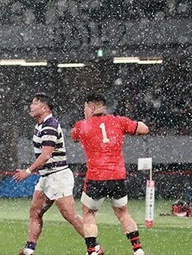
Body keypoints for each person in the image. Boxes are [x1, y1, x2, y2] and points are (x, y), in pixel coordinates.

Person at [11, 93, 92, 255]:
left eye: (35, 103)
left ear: (45, 108)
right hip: (47, 176)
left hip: (58, 176)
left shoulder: (50, 124)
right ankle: (29, 250)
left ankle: (95, 247)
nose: (31, 107)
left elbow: (46, 154)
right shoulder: (40, 125)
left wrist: (28, 171)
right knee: (35, 212)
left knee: (70, 215)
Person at [70, 94, 149, 255]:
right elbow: (144, 129)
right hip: (117, 175)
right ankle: (138, 249)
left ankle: (92, 250)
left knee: (88, 212)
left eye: (85, 107)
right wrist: (133, 124)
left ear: (92, 107)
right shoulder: (119, 121)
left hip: (96, 176)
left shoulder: (81, 125)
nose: (84, 111)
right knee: (123, 213)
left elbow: (74, 137)